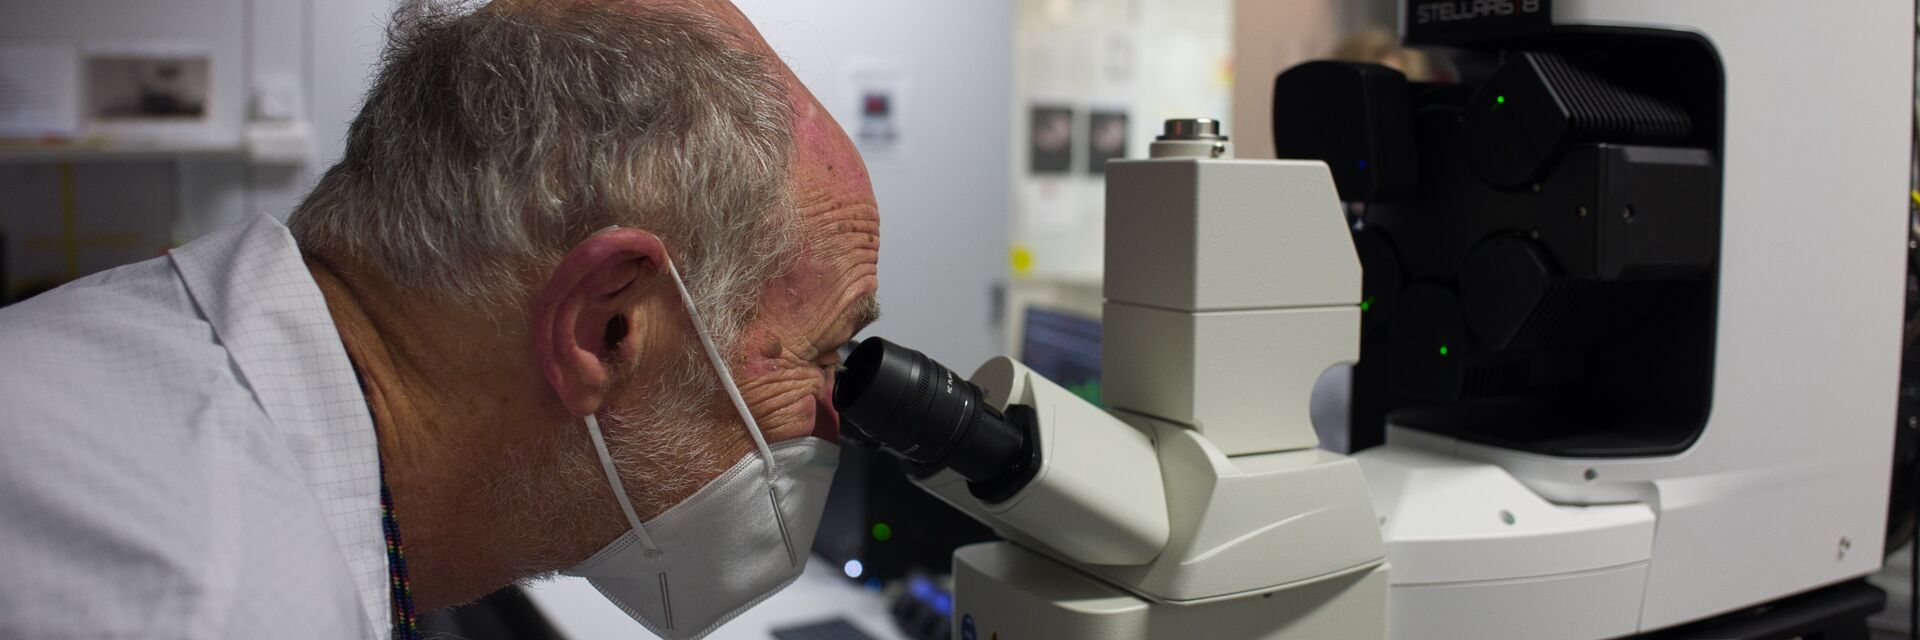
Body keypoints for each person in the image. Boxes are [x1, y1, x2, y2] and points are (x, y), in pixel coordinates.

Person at [0, 0, 880, 638]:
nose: (835, 417)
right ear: (605, 329)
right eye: (825, 354)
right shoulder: (222, 600)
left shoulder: (140, 342)